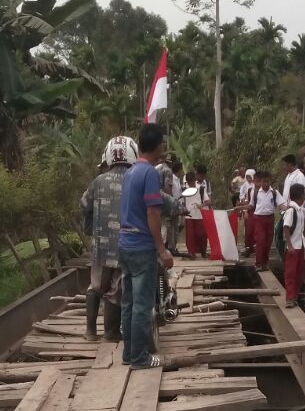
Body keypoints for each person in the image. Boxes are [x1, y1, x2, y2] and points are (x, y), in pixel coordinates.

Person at [118, 123, 173, 369]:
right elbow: (153, 213)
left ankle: (129, 353)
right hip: (141, 247)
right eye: (162, 142)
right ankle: (140, 358)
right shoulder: (150, 173)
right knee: (142, 304)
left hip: (125, 245)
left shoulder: (131, 172)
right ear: (158, 145)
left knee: (128, 302)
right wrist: (162, 249)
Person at [79, 136, 135, 341]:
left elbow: (84, 205)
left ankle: (90, 330)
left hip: (101, 246)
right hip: (125, 245)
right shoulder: (135, 179)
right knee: (115, 288)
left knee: (96, 285)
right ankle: (111, 332)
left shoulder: (98, 181)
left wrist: (91, 227)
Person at [281, 183, 305, 307]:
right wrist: (289, 246)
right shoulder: (291, 210)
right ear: (301, 196)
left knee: (299, 274)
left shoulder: (300, 211)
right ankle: (289, 298)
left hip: (299, 247)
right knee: (290, 273)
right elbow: (286, 228)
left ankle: (294, 296)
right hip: (293, 248)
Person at [246, 170, 283, 271]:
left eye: (267, 181)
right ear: (260, 182)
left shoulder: (274, 193)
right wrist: (240, 209)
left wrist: (290, 208)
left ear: (270, 182)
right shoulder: (256, 192)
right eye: (263, 181)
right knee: (260, 241)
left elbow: (281, 205)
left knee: (268, 242)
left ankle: (265, 263)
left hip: (270, 219)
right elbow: (251, 205)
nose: (265, 184)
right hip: (258, 219)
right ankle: (258, 263)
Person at [182, 171, 208, 258]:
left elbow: (208, 201)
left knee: (201, 234)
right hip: (189, 215)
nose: (190, 184)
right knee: (190, 236)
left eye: (192, 182)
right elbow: (182, 203)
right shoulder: (185, 190)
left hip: (199, 215)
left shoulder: (201, 189)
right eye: (189, 182)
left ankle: (203, 251)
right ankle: (191, 253)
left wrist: (201, 205)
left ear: (195, 180)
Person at [238, 168, 256, 255]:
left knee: (255, 229)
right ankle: (248, 246)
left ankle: (254, 246)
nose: (249, 179)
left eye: (250, 177)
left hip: (256, 209)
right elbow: (242, 197)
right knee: (248, 229)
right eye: (247, 177)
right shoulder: (244, 185)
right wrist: (244, 210)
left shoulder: (256, 185)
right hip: (247, 207)